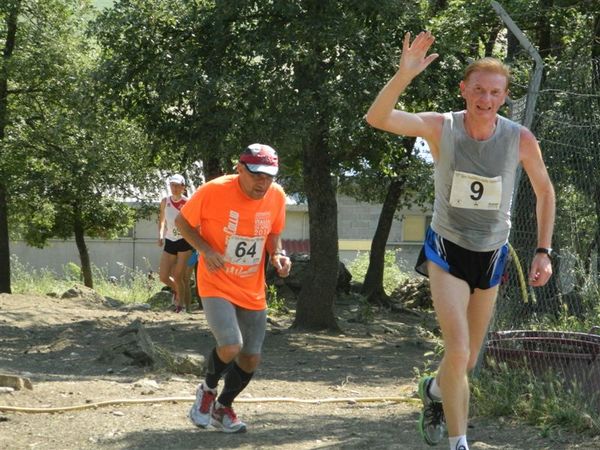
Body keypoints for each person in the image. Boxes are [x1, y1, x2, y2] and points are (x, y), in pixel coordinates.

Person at [366, 32, 555, 450]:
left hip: (492, 253)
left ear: (504, 98)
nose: (485, 99)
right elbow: (379, 118)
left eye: (494, 92)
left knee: (466, 361)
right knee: (458, 349)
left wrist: (543, 250)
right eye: (478, 90)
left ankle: (434, 391)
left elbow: (545, 191)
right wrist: (403, 75)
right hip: (447, 248)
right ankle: (459, 442)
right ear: (463, 90)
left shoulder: (519, 138)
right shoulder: (441, 126)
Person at [175, 143, 292, 433]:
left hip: (251, 286)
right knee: (231, 344)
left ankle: (223, 407)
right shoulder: (213, 191)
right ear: (240, 169)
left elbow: (274, 232)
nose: (263, 183)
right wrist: (204, 249)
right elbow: (181, 223)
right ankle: (207, 390)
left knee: (251, 356)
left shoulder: (276, 196)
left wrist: (278, 254)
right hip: (216, 280)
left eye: (269, 176)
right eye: (256, 175)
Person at [158, 174, 194, 313]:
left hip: (184, 242)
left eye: (178, 185)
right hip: (170, 240)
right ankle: (177, 292)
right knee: (163, 276)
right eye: (172, 185)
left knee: (180, 276)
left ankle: (182, 306)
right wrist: (160, 235)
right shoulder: (165, 201)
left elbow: (195, 223)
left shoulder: (188, 203)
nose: (175, 188)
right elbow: (161, 220)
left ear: (183, 187)